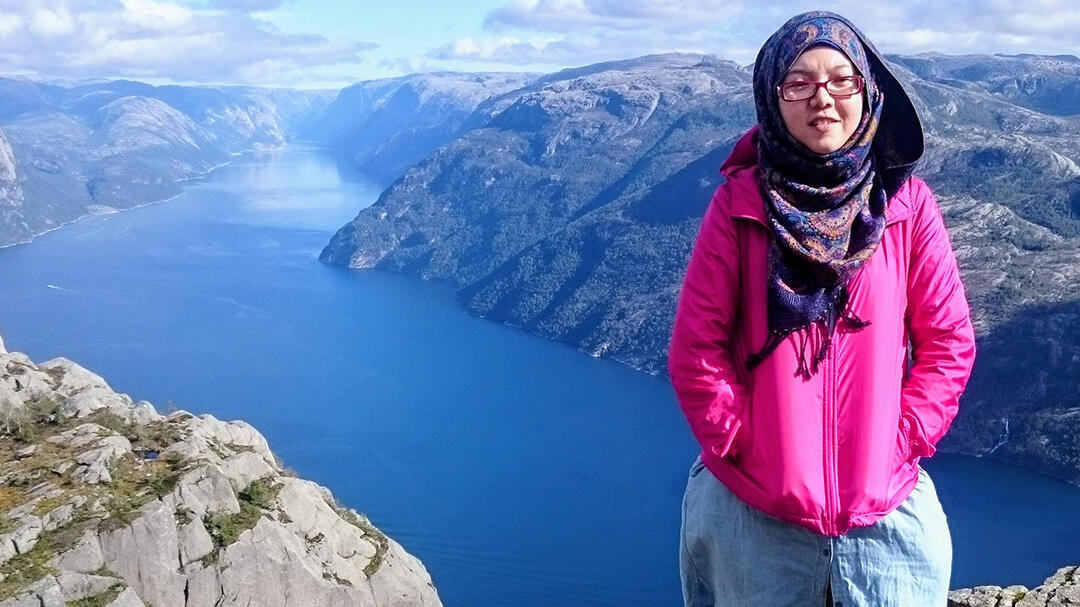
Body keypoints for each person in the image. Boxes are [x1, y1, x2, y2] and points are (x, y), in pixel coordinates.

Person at [667, 11, 976, 607]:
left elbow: (948, 341)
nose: (823, 99)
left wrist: (904, 437)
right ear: (772, 97)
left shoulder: (906, 206)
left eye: (841, 80)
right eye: (799, 83)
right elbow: (697, 347)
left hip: (884, 513)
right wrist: (740, 439)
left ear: (868, 88)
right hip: (755, 516)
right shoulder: (740, 206)